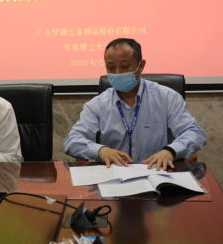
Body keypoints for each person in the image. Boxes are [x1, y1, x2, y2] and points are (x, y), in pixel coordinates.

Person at [63, 38, 206, 170]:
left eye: (125, 66)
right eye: (111, 67)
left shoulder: (166, 98)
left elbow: (195, 133)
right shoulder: (97, 105)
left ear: (141, 65)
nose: (118, 73)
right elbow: (71, 141)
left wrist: (171, 151)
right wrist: (100, 150)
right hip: (113, 176)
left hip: (156, 173)